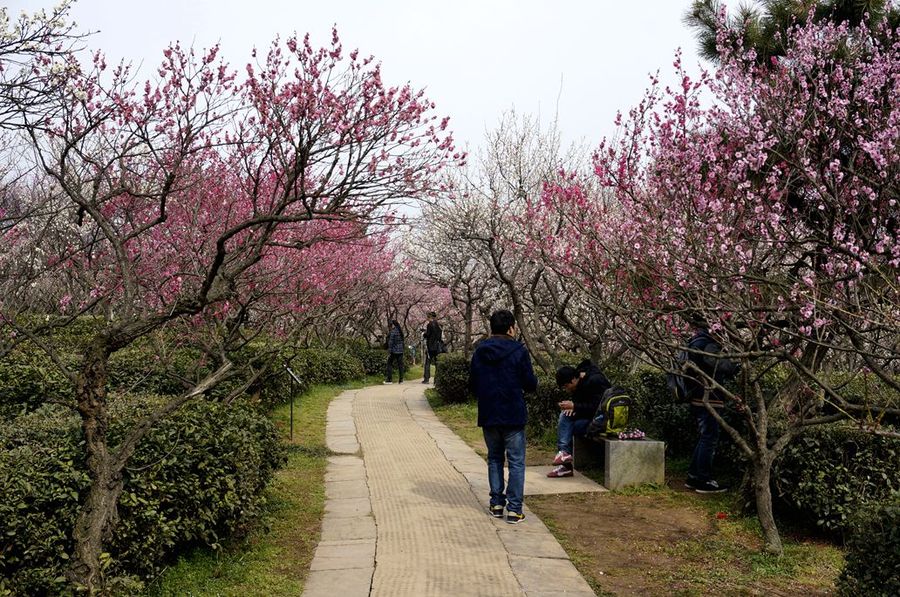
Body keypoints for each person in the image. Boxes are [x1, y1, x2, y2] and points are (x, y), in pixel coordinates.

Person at [470, 310, 537, 524]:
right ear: (511, 328)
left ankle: (497, 504)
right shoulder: (519, 351)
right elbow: (530, 383)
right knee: (516, 462)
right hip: (513, 414)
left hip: (489, 412)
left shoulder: (480, 351)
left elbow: (472, 383)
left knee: (494, 459)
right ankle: (515, 509)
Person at [681, 326, 740, 494]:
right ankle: (703, 479)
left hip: (698, 396)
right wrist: (735, 367)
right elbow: (717, 363)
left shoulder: (694, 341)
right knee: (709, 437)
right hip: (708, 397)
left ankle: (694, 476)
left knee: (705, 437)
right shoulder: (707, 344)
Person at [546, 360, 611, 478]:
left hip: (601, 420)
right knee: (565, 416)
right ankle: (563, 455)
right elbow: (583, 402)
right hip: (589, 417)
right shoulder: (580, 381)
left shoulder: (596, 381)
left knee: (569, 428)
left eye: (567, 386)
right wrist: (573, 407)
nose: (567, 390)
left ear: (574, 379)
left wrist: (575, 406)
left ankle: (564, 459)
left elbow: (599, 408)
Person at [422, 311, 443, 384]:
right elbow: (439, 335)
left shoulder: (429, 324)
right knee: (437, 363)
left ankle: (426, 379)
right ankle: (437, 380)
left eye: (427, 317)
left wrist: (424, 334)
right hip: (437, 346)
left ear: (430, 317)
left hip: (430, 346)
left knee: (427, 362)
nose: (427, 319)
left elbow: (428, 334)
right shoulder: (438, 324)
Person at [384, 319, 405, 384]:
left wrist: (389, 350)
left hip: (394, 351)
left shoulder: (393, 331)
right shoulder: (400, 331)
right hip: (400, 351)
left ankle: (389, 379)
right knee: (400, 365)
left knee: (389, 364)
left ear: (393, 325)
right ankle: (401, 380)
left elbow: (391, 342)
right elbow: (402, 341)